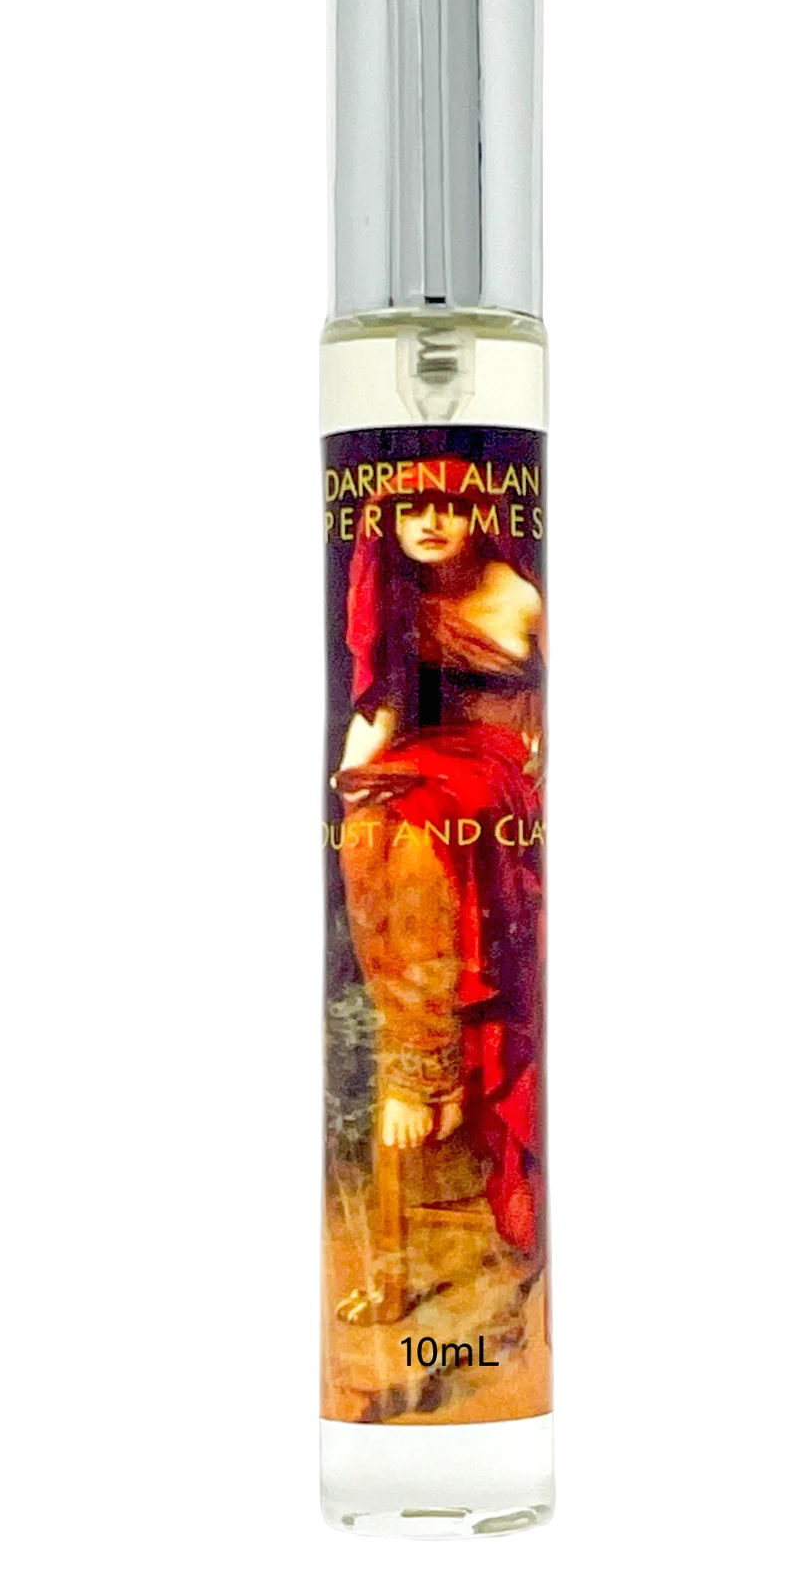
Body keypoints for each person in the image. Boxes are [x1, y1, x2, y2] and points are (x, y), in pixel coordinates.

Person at [333, 462, 547, 1269]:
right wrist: (350, 781)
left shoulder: (518, 595)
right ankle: (423, 1058)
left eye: (449, 506)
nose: (429, 521)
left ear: (478, 516)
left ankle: (427, 1073)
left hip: (503, 765)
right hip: (434, 756)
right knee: (366, 830)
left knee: (423, 833)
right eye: (411, 508)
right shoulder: (399, 595)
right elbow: (383, 706)